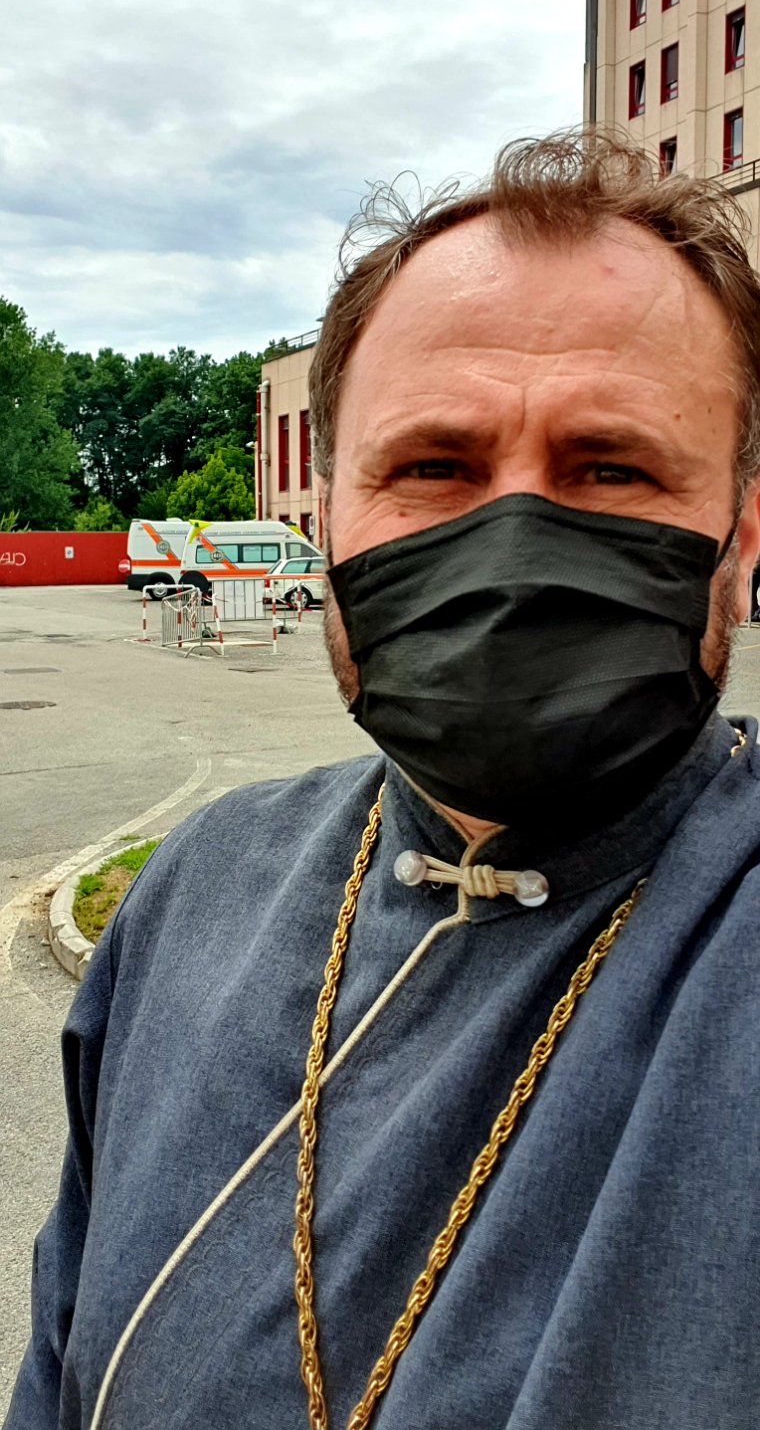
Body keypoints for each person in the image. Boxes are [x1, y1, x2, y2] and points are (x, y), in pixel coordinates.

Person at [6, 132, 760, 1430]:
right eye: (432, 467)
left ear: (741, 540)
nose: (512, 548)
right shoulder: (192, 899)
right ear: (332, 518)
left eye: (611, 467)